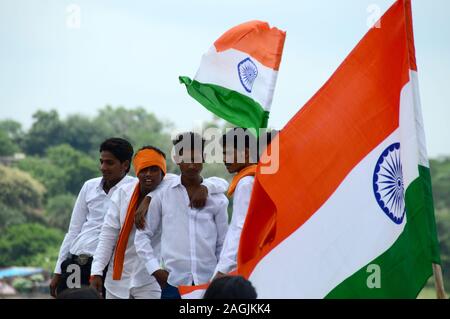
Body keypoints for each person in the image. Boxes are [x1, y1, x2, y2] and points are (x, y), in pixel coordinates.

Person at [91, 145, 228, 299]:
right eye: (143, 170)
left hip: (154, 281)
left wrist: (205, 187)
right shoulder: (123, 194)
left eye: (154, 169)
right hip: (119, 278)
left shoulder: (169, 188)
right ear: (137, 172)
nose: (148, 174)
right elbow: (107, 236)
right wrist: (96, 271)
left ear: (163, 172)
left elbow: (221, 183)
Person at [135, 132, 229, 299]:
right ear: (177, 159)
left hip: (210, 283)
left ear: (204, 157)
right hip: (173, 284)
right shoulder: (163, 194)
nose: (191, 164)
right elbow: (142, 236)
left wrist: (221, 273)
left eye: (196, 158)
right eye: (186, 158)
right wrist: (155, 270)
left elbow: (223, 242)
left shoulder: (217, 198)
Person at [50, 138, 135, 298]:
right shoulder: (89, 186)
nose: (103, 167)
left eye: (109, 163)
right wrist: (58, 271)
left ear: (125, 164)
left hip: (108, 267)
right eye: (101, 162)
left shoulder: (136, 189)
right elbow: (73, 230)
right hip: (76, 262)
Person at [213, 128, 258, 279]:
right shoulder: (255, 177)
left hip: (238, 267)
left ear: (245, 153)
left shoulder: (246, 182)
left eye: (228, 153)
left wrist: (223, 269)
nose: (224, 158)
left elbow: (241, 228)